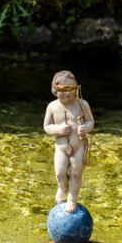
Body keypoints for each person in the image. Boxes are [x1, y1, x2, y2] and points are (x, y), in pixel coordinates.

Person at [43, 70, 94, 213]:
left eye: (71, 89)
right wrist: (58, 129)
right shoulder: (52, 107)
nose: (68, 93)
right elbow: (47, 127)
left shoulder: (82, 104)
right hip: (61, 147)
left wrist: (86, 128)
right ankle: (62, 187)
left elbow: (90, 122)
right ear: (54, 90)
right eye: (63, 90)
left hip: (79, 147)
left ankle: (72, 198)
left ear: (77, 88)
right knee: (59, 173)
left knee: (76, 173)